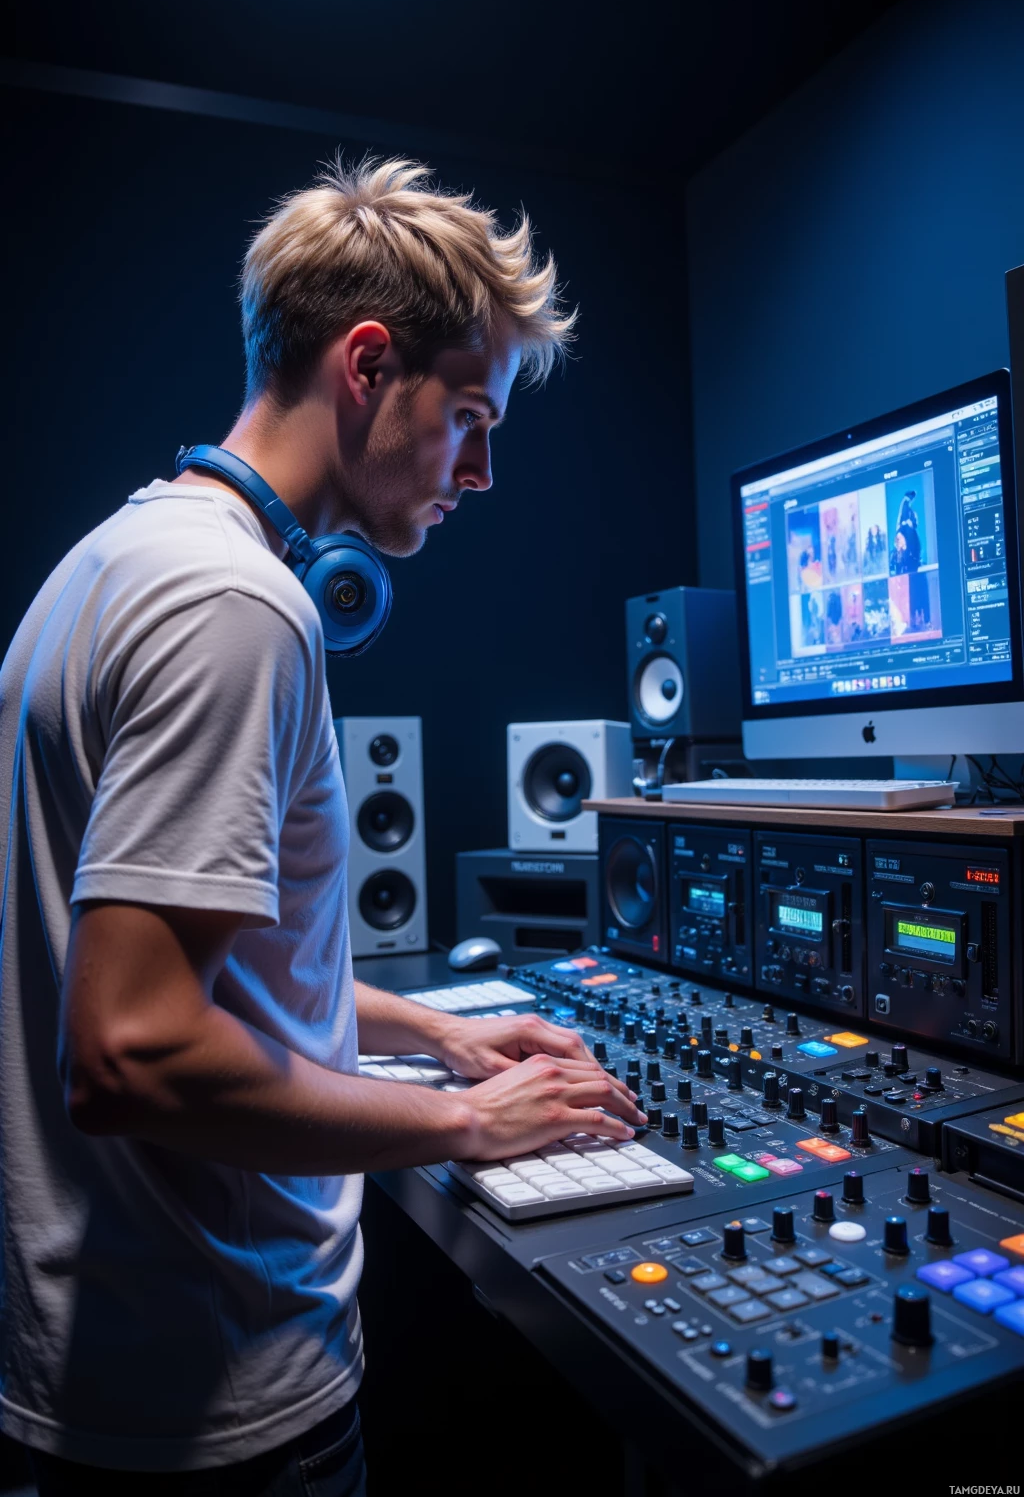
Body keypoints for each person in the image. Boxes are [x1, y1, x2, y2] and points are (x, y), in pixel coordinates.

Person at [0, 156, 645, 1495]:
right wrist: (471, 1127)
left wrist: (438, 1032)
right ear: (365, 365)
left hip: (107, 1367)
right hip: (212, 1405)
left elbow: (215, 978)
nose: (481, 472)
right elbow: (131, 1052)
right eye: (471, 415)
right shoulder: (235, 605)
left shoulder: (112, 562)